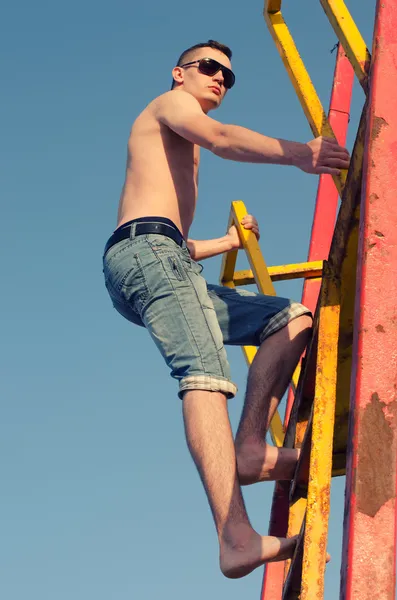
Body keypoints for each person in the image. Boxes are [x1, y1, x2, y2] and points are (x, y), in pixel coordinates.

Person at [102, 40, 350, 579]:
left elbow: (172, 242)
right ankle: (235, 537)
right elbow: (220, 140)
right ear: (178, 73)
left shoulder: (174, 144)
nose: (220, 78)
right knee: (206, 374)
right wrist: (298, 153)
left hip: (163, 256)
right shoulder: (169, 106)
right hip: (146, 253)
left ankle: (251, 447)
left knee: (290, 319)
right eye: (209, 68)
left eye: (229, 77)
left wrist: (225, 243)